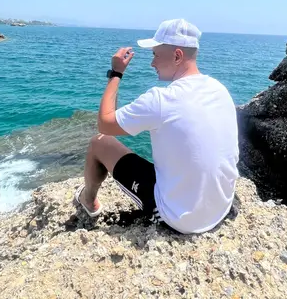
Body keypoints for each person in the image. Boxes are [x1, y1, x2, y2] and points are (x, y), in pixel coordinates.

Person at [75, 18, 239, 234]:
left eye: (155, 55)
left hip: (178, 218)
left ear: (177, 56)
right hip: (221, 207)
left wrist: (116, 73)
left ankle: (88, 201)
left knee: (99, 143)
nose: (152, 63)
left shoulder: (161, 100)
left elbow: (105, 124)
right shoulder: (219, 90)